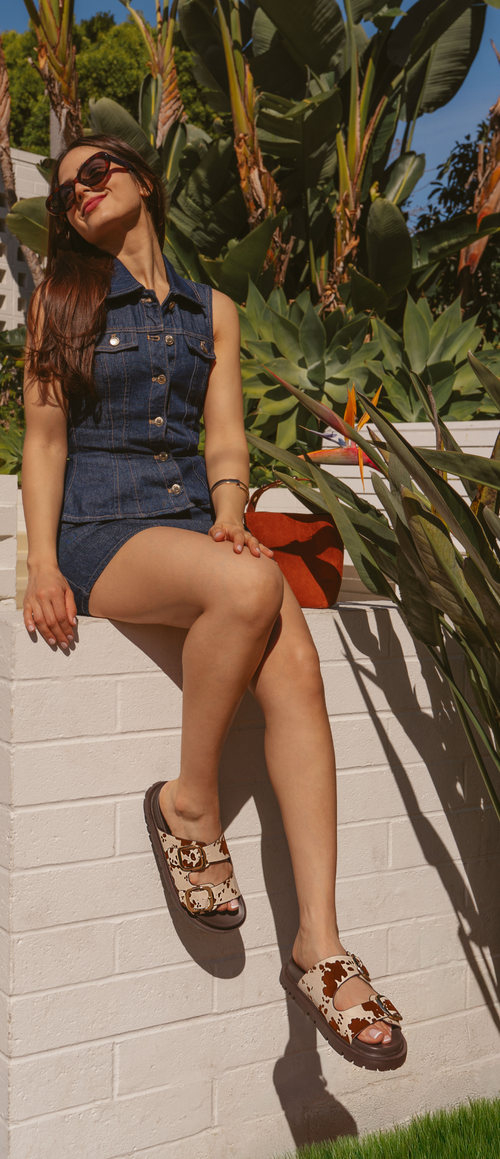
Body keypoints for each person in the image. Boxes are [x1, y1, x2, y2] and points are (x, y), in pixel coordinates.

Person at [22, 134, 406, 1071]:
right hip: (105, 530)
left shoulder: (214, 311)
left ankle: (319, 942)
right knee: (250, 582)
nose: (80, 191)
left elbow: (225, 436)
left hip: (194, 525)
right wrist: (41, 562)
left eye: (96, 171)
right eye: (65, 190)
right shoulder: (60, 298)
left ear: (143, 180)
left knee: (298, 666)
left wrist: (230, 515)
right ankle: (190, 807)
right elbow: (44, 439)